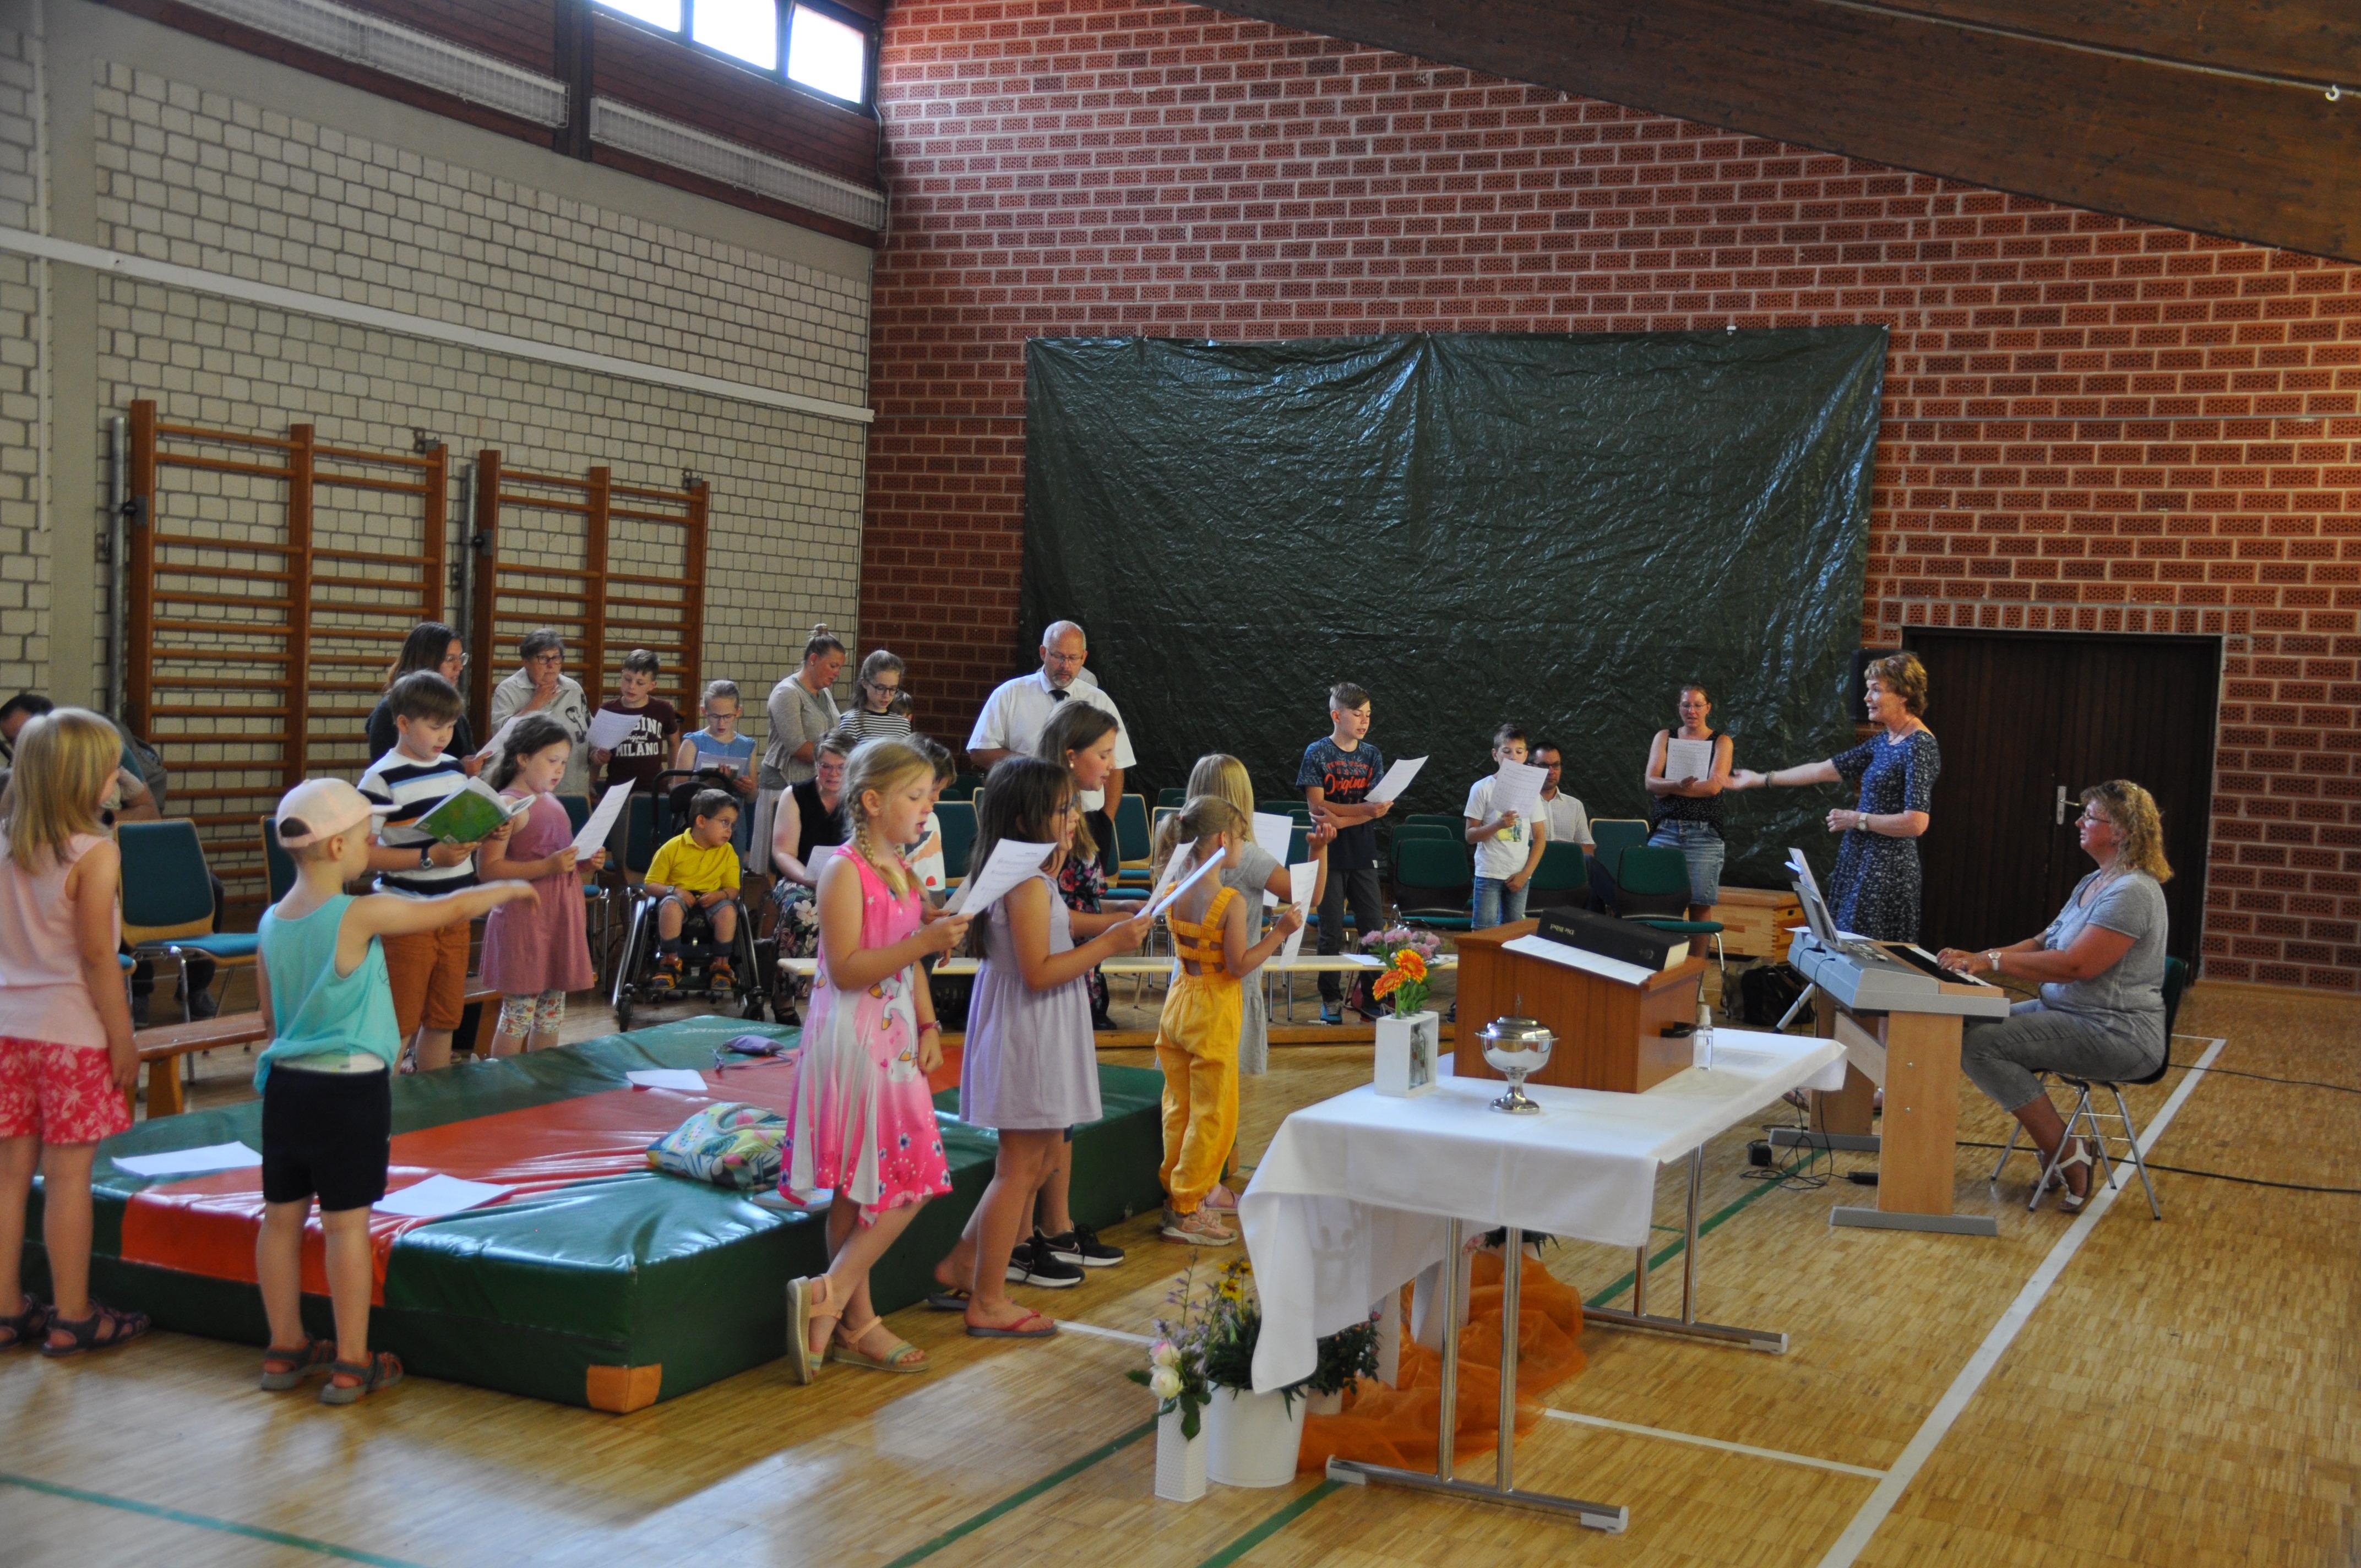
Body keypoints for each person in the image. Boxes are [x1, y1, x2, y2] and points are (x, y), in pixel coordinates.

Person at [253, 778, 536, 1403]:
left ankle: (285, 1347)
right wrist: (506, 888)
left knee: (280, 1219)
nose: (371, 848)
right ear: (336, 849)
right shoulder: (358, 913)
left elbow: (271, 1020)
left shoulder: (270, 922)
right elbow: (444, 911)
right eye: (365, 839)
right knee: (345, 1228)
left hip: (287, 1091)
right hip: (349, 1092)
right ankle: (352, 1360)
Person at [933, 757, 1152, 1335]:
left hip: (1039, 1025)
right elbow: (1038, 971)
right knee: (1020, 1167)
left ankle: (963, 1263)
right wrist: (1110, 944)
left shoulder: (1032, 877)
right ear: (1026, 818)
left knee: (1045, 1157)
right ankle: (988, 1299)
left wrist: (1109, 919)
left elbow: (1058, 924)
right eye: (1061, 809)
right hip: (1028, 1030)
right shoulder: (1026, 883)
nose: (1073, 817)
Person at [780, 738, 971, 1381]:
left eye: (929, 796)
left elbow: (907, 958)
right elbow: (846, 968)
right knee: (912, 1179)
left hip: (892, 1041)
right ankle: (832, 1294)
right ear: (871, 801)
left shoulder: (902, 870)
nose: (926, 808)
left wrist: (928, 1018)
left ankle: (848, 1319)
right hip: (855, 1044)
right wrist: (922, 940)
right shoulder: (844, 870)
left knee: (861, 1186)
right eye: (914, 796)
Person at [1938, 781, 2173, 1212]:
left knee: (1980, 1045)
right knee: (1963, 1027)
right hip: (2069, 1013)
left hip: (2117, 1032)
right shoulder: (2094, 881)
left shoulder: (2133, 893)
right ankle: (2063, 1149)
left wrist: (1991, 961)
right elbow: (2043, 942)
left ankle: (2067, 1153)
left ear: (2120, 831)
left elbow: (2076, 966)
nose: (2079, 823)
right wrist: (1977, 957)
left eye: (2090, 817)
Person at [0, 707, 145, 1357]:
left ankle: (7, 1306)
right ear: (83, 781)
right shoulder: (95, 853)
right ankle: (74, 1313)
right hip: (71, 1033)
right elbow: (96, 957)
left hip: (8, 1028)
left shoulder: (6, 844)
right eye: (112, 771)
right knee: (67, 1178)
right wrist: (122, 1037)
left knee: (8, 1175)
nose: (118, 781)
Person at [1150, 796, 1305, 1245]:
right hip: (1214, 1010)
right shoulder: (1229, 901)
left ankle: (1178, 1193)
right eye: (1240, 838)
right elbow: (1239, 965)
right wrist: (1279, 933)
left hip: (1179, 1003)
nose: (1242, 845)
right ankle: (1187, 1207)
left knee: (1178, 1108)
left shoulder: (1176, 887)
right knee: (1213, 1114)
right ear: (1223, 840)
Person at [1730, 653, 1938, 942]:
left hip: (1886, 868)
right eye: (1868, 689)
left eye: (1876, 690)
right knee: (1842, 944)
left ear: (1904, 694)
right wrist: (1760, 779)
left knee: (1866, 950)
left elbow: (1916, 823)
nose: (1867, 698)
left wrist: (1858, 820)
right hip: (1861, 857)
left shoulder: (1919, 745)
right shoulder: (1886, 740)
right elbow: (1824, 770)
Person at [358, 672, 503, 1074]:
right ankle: (385, 1102)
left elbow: (458, 834)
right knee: (400, 1022)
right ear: (403, 723)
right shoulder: (380, 778)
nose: (444, 736)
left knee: (444, 1019)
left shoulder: (455, 769)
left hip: (454, 911)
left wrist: (490, 829)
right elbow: (362, 856)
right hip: (406, 914)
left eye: (451, 726)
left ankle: (433, 1102)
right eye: (435, 726)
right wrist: (428, 857)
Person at [475, 716, 604, 1055]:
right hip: (526, 923)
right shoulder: (508, 805)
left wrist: (584, 861)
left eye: (563, 762)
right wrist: (548, 866)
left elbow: (558, 856)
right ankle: (504, 1082)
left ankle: (541, 1082)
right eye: (552, 761)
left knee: (550, 1016)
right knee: (517, 1017)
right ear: (523, 759)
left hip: (556, 919)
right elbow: (488, 869)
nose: (559, 770)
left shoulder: (550, 800)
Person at [967, 620, 1135, 879]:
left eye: (1073, 658)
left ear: (1084, 658)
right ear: (1043, 653)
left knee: (1082, 891)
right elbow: (980, 750)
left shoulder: (1099, 701)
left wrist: (1105, 820)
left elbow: (1117, 766)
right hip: (1028, 816)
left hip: (1086, 819)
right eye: (1058, 657)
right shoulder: (1011, 694)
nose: (1065, 666)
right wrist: (1037, 767)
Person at [1297, 681, 1389, 1025]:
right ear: (1337, 716)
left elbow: (1376, 807)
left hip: (1363, 852)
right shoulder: (1317, 752)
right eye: (1357, 714)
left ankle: (1372, 996)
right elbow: (1318, 808)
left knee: (1373, 929)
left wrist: (1345, 817)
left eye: (1368, 715)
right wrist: (1362, 811)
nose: (1365, 721)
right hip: (1328, 854)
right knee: (1330, 930)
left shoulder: (1372, 755)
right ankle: (1331, 998)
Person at [1641, 684, 1736, 922]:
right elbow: (1650, 782)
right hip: (1665, 829)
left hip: (1704, 834)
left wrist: (1668, 788)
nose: (1691, 711)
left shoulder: (1722, 741)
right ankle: (1662, 947)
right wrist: (1678, 785)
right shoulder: (1665, 737)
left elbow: (1713, 787)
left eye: (1697, 705)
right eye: (1686, 705)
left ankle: (1696, 949)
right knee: (1657, 903)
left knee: (1699, 905)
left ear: (1708, 708)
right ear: (1679, 708)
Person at [757, 626, 846, 865]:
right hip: (783, 784)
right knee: (779, 859)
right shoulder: (787, 693)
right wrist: (842, 762)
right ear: (813, 659)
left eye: (840, 667)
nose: (837, 673)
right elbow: (798, 747)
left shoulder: (825, 693)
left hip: (814, 784)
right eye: (833, 666)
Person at [643, 791, 743, 995]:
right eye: (725, 822)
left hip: (713, 900)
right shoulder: (672, 848)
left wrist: (721, 895)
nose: (729, 830)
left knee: (728, 912)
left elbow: (733, 889)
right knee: (670, 906)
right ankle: (669, 962)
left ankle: (721, 965)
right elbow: (651, 885)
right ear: (701, 821)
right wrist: (674, 891)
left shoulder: (728, 852)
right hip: (678, 897)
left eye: (732, 825)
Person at [588, 649, 682, 859]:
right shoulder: (609, 709)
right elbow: (595, 752)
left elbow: (674, 743)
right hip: (618, 792)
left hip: (654, 790)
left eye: (640, 683)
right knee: (622, 852)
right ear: (621, 675)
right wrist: (592, 781)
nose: (632, 687)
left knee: (654, 851)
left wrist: (673, 777)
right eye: (628, 679)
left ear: (652, 685)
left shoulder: (662, 709)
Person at [769, 734, 850, 966]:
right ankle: (795, 982)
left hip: (848, 880)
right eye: (826, 766)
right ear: (816, 765)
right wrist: (811, 879)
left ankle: (847, 977)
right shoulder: (796, 795)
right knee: (804, 911)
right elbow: (783, 853)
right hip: (801, 878)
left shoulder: (862, 797)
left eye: (841, 767)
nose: (834, 774)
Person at [488, 629, 592, 798]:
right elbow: (501, 738)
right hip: (529, 792)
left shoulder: (573, 689)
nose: (551, 665)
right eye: (543, 658)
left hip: (575, 787)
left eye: (556, 658)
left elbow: (586, 730)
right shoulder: (508, 690)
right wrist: (535, 704)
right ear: (526, 662)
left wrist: (596, 753)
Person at [364, 622, 477, 774]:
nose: (459, 667)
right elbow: (389, 772)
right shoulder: (389, 711)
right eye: (450, 659)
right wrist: (458, 769)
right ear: (426, 661)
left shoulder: (452, 709)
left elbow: (466, 753)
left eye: (461, 658)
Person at [1465, 723, 1547, 930]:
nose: (1513, 757)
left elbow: (1540, 838)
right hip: (1489, 872)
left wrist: (1525, 874)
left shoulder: (1532, 792)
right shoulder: (1482, 788)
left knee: (1514, 933)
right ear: (1495, 754)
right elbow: (1470, 835)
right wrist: (1498, 825)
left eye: (1519, 752)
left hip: (1519, 875)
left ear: (1526, 755)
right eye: (1506, 751)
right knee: (1483, 932)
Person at [674, 678, 759, 865]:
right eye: (715, 716)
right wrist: (709, 784)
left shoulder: (747, 746)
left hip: (734, 825)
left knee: (730, 870)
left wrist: (748, 788)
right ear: (704, 711)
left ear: (738, 712)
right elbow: (677, 791)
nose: (721, 722)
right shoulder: (693, 742)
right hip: (699, 822)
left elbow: (753, 797)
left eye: (727, 716)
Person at [906, 736, 956, 905]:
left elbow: (932, 870)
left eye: (941, 790)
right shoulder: (900, 822)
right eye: (934, 789)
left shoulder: (932, 818)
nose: (937, 798)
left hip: (933, 905)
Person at [831, 650, 913, 747]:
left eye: (893, 689)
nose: (887, 695)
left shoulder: (903, 725)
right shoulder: (851, 722)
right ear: (865, 683)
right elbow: (843, 756)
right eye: (880, 688)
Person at [1531, 739, 1594, 855]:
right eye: (1544, 765)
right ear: (1531, 767)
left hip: (1566, 863)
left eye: (1556, 765)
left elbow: (1588, 849)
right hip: (1531, 863)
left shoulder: (1575, 805)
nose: (1551, 772)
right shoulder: (1520, 803)